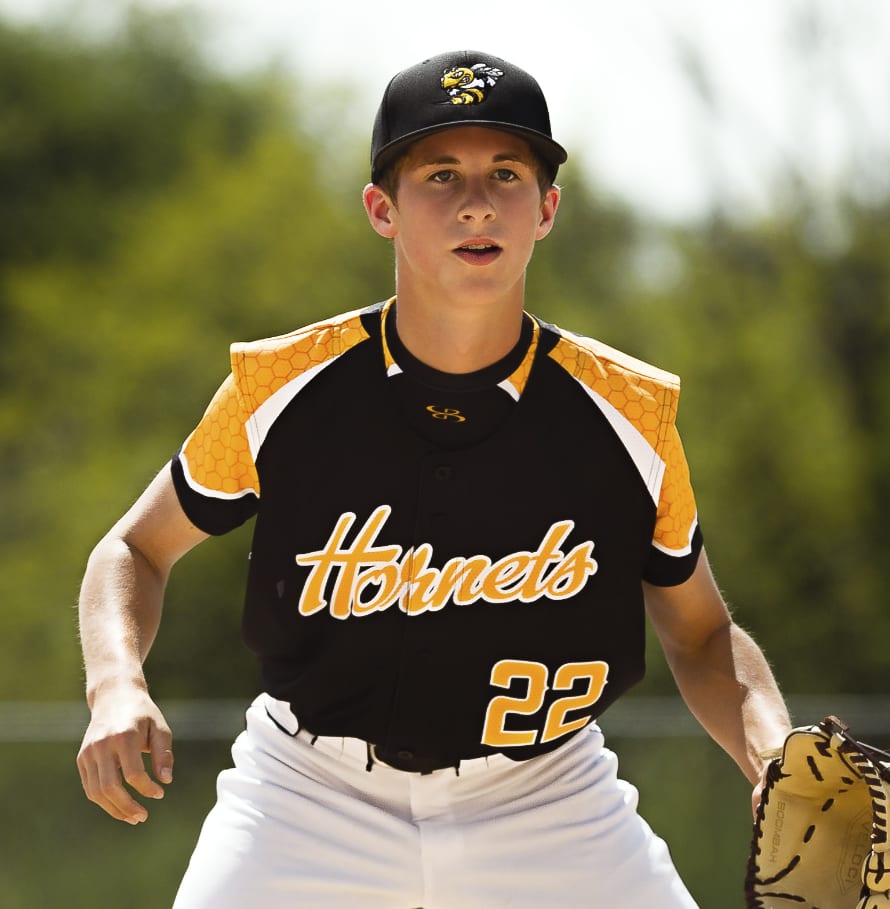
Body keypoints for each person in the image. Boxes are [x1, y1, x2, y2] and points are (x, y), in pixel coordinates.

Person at [76, 50, 792, 908]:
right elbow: (135, 547)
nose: (477, 201)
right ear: (382, 208)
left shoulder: (628, 415)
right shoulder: (285, 388)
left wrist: (773, 754)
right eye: (441, 174)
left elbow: (703, 632)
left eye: (507, 172)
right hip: (307, 792)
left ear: (547, 208)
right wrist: (115, 682)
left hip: (548, 797)